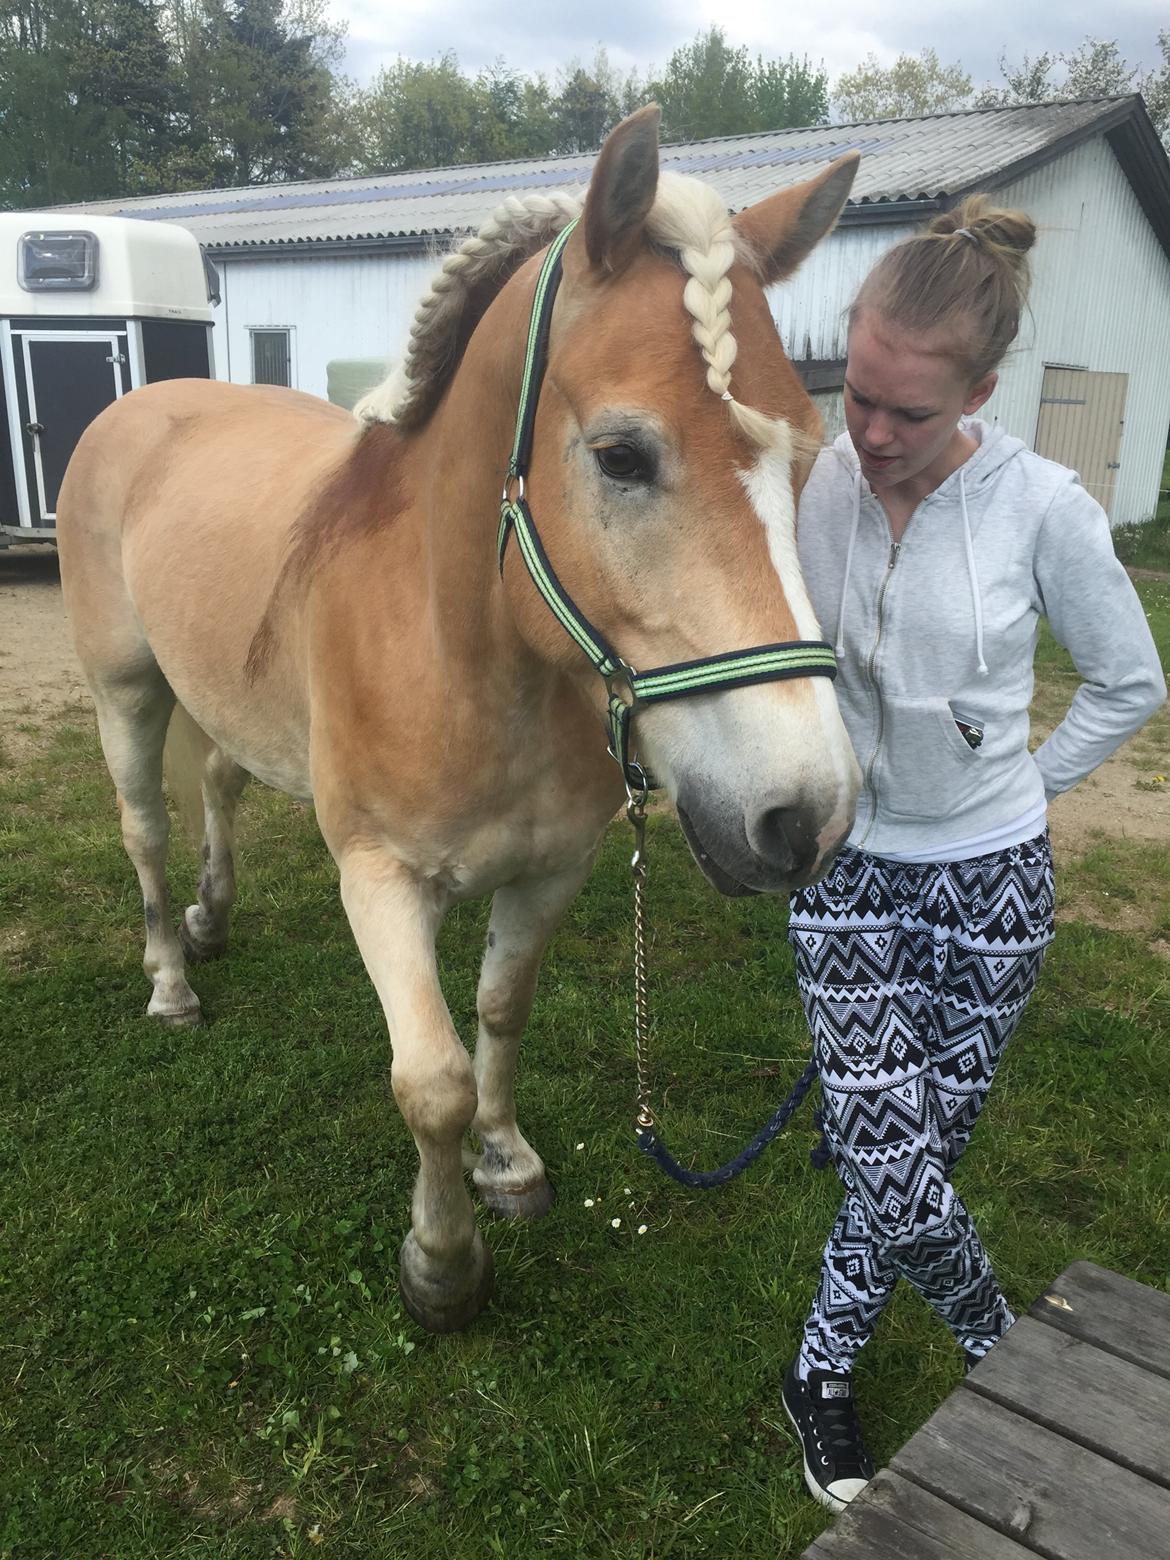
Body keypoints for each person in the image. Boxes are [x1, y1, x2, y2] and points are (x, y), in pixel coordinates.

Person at [780, 195, 1167, 1513]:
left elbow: (1127, 683)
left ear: (983, 390)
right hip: (842, 867)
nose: (874, 437)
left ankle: (819, 1372)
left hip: (991, 884)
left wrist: (1022, 780)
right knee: (890, 1158)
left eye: (910, 414)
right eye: (859, 398)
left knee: (913, 1157)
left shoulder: (1043, 507)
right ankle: (1000, 1348)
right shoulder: (814, 476)